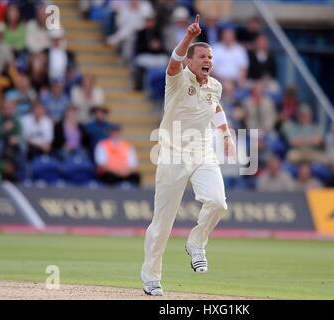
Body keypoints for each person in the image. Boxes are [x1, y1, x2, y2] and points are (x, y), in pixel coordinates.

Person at [141, 15, 236, 296]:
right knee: (162, 223)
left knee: (218, 202)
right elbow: (172, 62)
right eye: (203, 56)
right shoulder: (178, 80)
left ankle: (196, 242)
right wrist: (188, 38)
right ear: (190, 62)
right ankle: (151, 277)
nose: (208, 60)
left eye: (211, 56)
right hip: (172, 154)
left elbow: (216, 108)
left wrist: (226, 134)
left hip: (202, 152)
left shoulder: (214, 86)